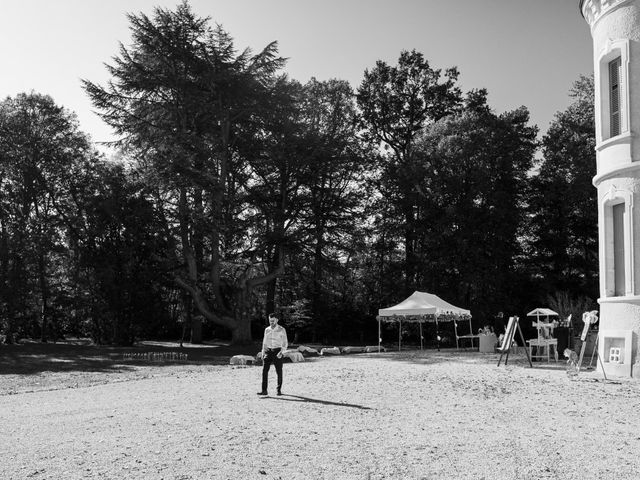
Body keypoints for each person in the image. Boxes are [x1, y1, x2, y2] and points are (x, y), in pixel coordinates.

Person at [257, 313, 288, 396]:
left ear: (277, 320)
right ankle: (264, 390)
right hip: (268, 351)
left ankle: (278, 390)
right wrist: (263, 352)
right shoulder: (267, 329)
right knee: (264, 371)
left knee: (279, 371)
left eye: (273, 321)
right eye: (270, 321)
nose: (271, 322)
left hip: (278, 351)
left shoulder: (282, 329)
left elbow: (285, 342)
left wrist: (281, 352)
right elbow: (264, 341)